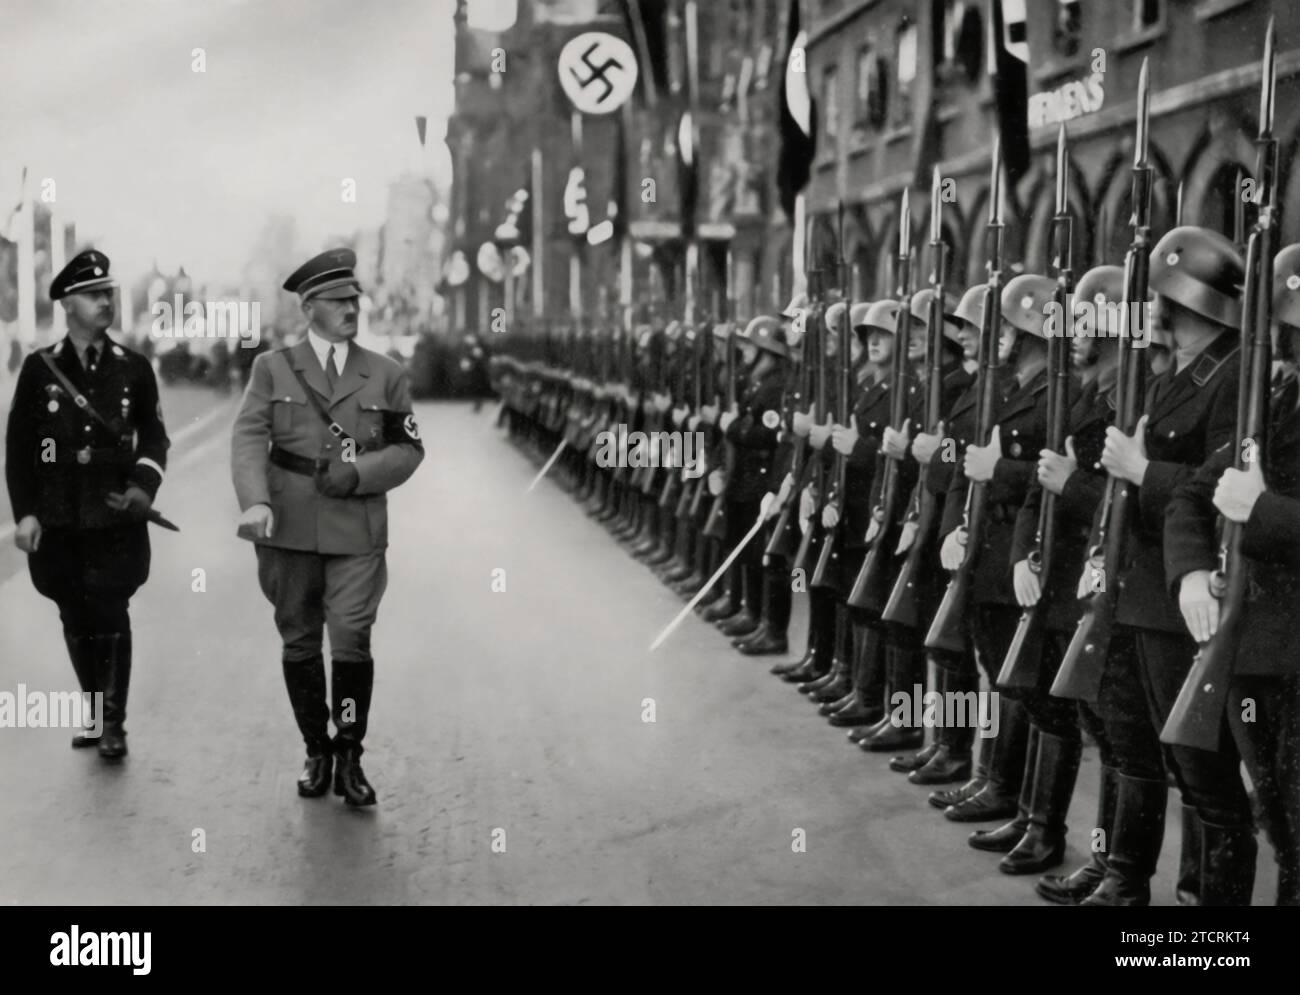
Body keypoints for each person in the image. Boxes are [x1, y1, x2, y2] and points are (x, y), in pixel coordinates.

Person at [231, 248, 424, 807]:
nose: (351, 308)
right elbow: (248, 439)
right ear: (309, 307)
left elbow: (409, 448)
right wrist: (254, 501)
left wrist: (360, 472)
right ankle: (316, 748)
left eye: (354, 299)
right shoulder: (272, 368)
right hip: (288, 526)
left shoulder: (386, 373)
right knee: (298, 640)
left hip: (357, 526)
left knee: (351, 640)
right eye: (338, 301)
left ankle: (350, 754)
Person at [1161, 242, 1300, 906]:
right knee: (1280, 827)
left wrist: (1263, 511)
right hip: (1258, 646)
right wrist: (1191, 574)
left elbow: (1254, 505)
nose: (1279, 343)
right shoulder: (1276, 403)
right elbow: (1193, 491)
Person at [5, 249, 170, 759]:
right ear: (68, 304)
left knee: (111, 611)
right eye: (94, 295)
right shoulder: (40, 369)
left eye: (109, 293)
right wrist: (26, 513)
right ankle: (95, 716)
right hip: (58, 519)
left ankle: (114, 725)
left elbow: (155, 440)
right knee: (74, 616)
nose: (106, 302)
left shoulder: (134, 368)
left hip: (114, 513)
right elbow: (20, 449)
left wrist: (143, 488)